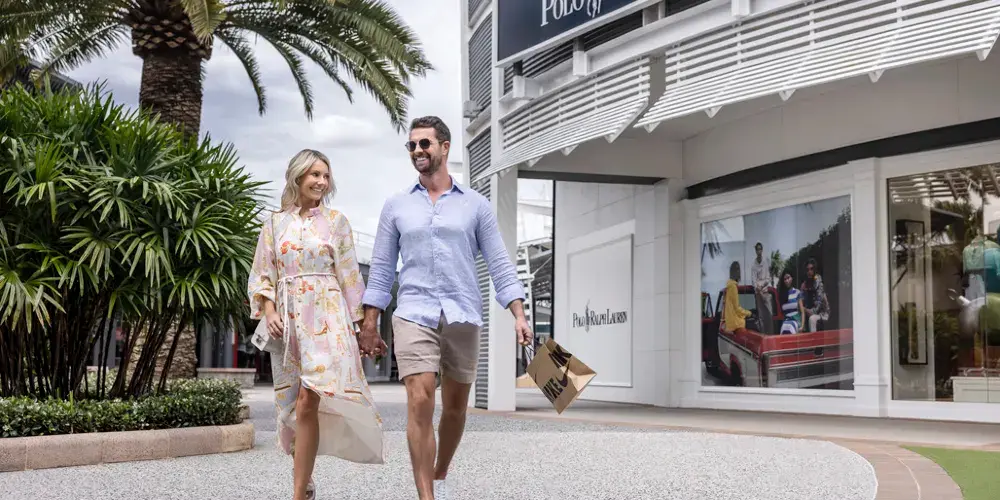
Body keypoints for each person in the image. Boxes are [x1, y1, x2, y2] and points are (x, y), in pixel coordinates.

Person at [360, 116, 533, 500]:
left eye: (425, 143)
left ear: (444, 147)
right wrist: (370, 323)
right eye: (412, 145)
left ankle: (440, 469)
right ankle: (427, 495)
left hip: (463, 314)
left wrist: (519, 315)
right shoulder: (396, 205)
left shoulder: (476, 205)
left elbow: (500, 263)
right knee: (420, 398)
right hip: (413, 313)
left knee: (455, 409)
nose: (417, 151)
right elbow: (382, 268)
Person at [248, 149, 387, 500]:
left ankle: (297, 494)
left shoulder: (337, 222)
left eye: (326, 176)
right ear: (297, 177)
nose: (322, 182)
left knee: (310, 398)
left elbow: (350, 277)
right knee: (292, 406)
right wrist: (269, 310)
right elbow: (263, 272)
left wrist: (364, 328)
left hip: (328, 317)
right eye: (315, 175)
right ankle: (305, 479)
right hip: (288, 323)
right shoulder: (274, 223)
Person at [800, 258, 830, 332]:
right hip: (809, 312)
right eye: (807, 270)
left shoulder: (819, 284)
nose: (809, 272)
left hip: (822, 314)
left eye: (811, 269)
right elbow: (801, 302)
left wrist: (803, 309)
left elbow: (816, 310)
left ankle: (813, 339)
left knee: (812, 319)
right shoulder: (805, 285)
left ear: (815, 270)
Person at [722, 261, 751, 333]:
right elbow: (737, 308)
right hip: (734, 323)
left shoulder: (729, 286)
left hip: (729, 322)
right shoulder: (733, 287)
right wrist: (748, 313)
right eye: (738, 270)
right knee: (751, 324)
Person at [751, 242, 774, 333]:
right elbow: (753, 280)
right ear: (755, 251)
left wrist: (761, 285)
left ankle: (770, 334)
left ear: (762, 250)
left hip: (765, 292)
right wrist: (757, 287)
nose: (759, 251)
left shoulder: (766, 262)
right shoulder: (753, 265)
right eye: (757, 249)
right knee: (761, 317)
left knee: (769, 314)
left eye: (760, 249)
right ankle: (763, 335)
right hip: (758, 293)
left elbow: (768, 278)